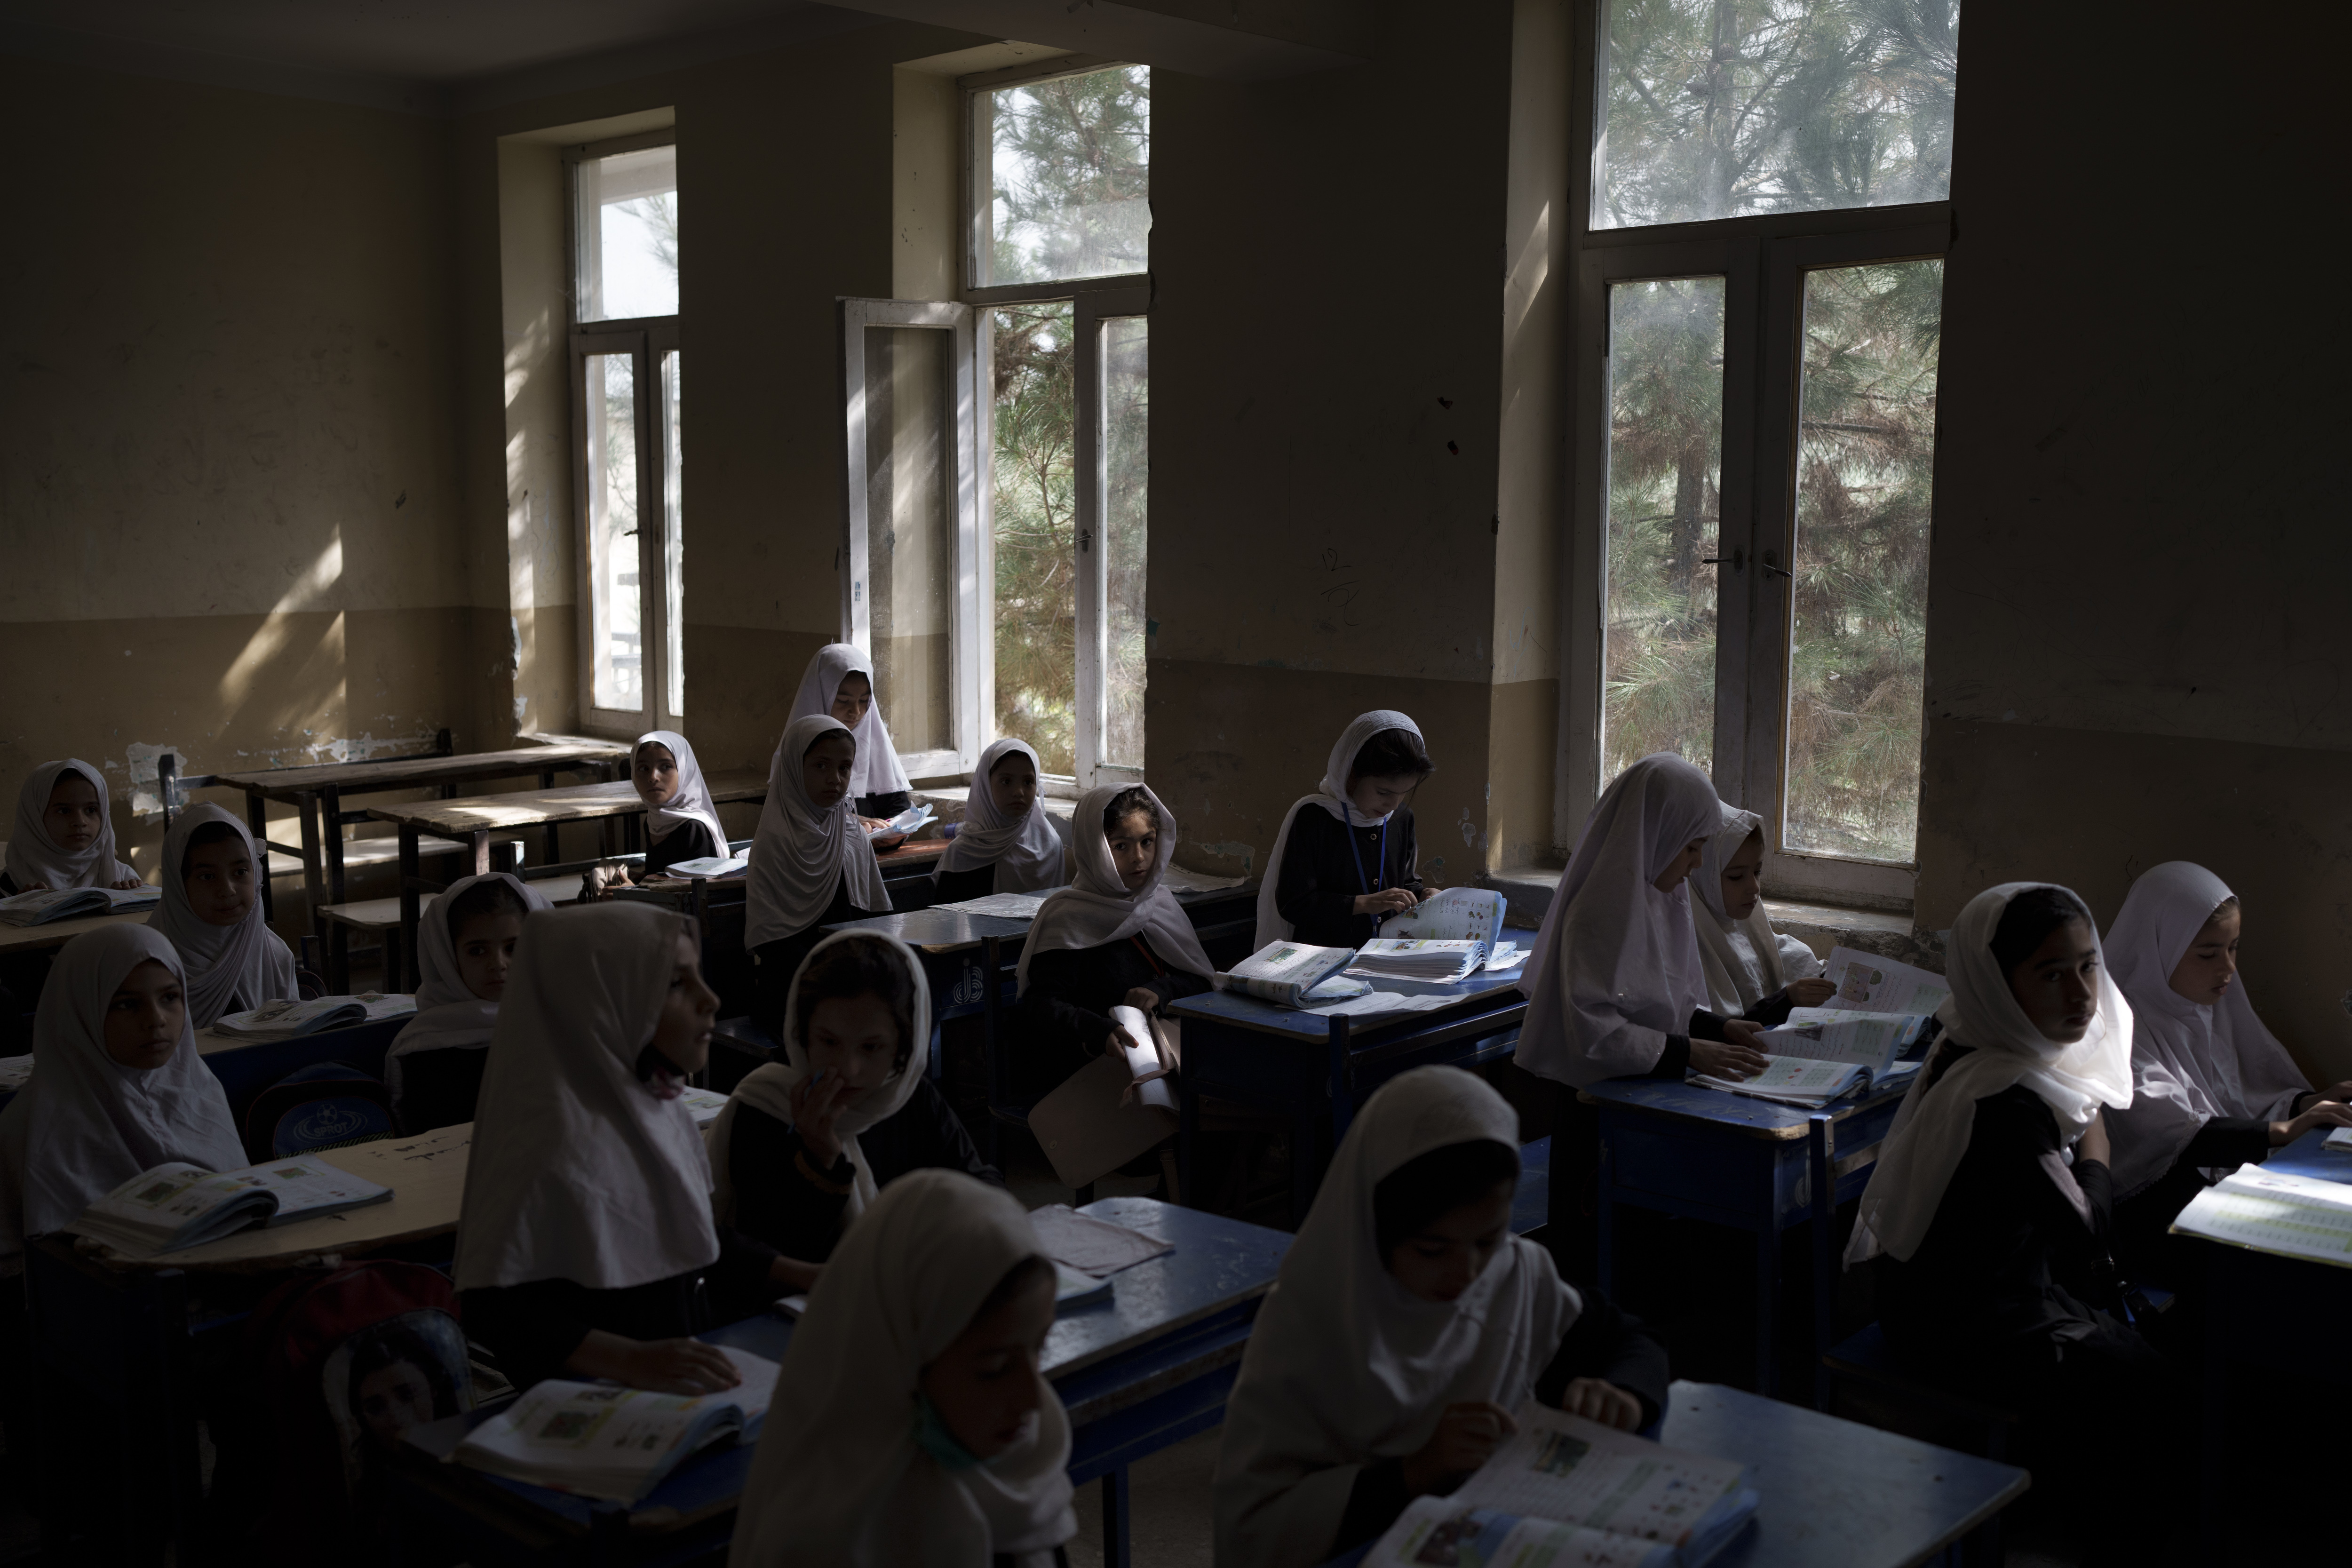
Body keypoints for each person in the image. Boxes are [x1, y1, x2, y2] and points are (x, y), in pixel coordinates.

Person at [1213, 1067, 1669, 1568]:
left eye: (1487, 1239)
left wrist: (1621, 1393)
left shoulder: (1513, 1272)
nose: (1468, 1273)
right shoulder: (1309, 1321)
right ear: (1375, 1228)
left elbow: (1630, 1342)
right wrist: (1412, 1474)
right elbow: (1250, 1531)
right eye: (1432, 1249)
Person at [1846, 883, 2180, 1564]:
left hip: (1968, 1287)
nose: (2082, 994)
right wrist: (2098, 1147)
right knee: (2153, 1387)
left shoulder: (1976, 1032)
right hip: (1955, 1321)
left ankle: (2051, 1501)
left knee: (2143, 1351)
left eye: (2089, 966)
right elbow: (2090, 1246)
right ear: (1997, 984)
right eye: (2050, 974)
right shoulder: (2004, 1096)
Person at [455, 903, 800, 1395]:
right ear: (601, 1003)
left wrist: (811, 1276)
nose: (710, 1000)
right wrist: (632, 1360)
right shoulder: (544, 1142)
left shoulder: (655, 1107)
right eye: (677, 984)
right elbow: (497, 1310)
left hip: (687, 1384)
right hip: (601, 1411)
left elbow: (694, 1244)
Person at [728, 1169, 1075, 1568]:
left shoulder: (1028, 1467)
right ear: (902, 1364)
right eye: (994, 1369)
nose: (1033, 1400)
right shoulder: (832, 1538)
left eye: (1040, 1347)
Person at [1512, 756, 1764, 1272]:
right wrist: (1690, 1050)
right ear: (1657, 834)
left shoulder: (1660, 895)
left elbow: (1661, 999)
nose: (1697, 863)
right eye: (1692, 847)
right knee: (1598, 1253)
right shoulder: (1601, 911)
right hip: (1596, 1109)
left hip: (1645, 1096)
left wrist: (1717, 1027)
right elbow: (1594, 1033)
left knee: (1647, 1249)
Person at [707, 931, 998, 1295]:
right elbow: (770, 1255)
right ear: (802, 1034)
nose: (849, 1068)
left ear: (903, 1046)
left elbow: (981, 1184)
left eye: (872, 1047)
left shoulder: (909, 1095)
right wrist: (820, 1162)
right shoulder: (766, 1105)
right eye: (829, 1042)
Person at [2102, 861, 2352, 1281]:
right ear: (2157, 946)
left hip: (2220, 1199)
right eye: (2208, 953)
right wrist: (2288, 1131)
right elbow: (2177, 1136)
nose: (2229, 968)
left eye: (2233, 947)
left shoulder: (2210, 1004)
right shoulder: (2118, 1025)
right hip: (2158, 1219)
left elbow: (2242, 1093)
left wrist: (2311, 1103)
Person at [0, 925, 246, 1275]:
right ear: (81, 1010)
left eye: (170, 998)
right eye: (127, 1004)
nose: (156, 1020)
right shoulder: (34, 1124)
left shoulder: (200, 1089)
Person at [1014, 784, 1215, 1099]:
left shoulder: (1159, 904)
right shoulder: (1068, 918)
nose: (1140, 858)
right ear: (1096, 850)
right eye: (1121, 846)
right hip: (1093, 1067)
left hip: (1165, 1056)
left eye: (1147, 842)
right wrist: (1096, 1029)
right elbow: (1040, 1006)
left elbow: (1202, 981)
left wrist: (1159, 991)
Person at [743, 715, 889, 1042]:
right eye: (821, 766)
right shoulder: (774, 842)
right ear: (795, 767)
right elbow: (772, 941)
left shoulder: (850, 832)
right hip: (795, 987)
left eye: (844, 768)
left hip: (852, 979)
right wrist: (833, 976)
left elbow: (873, 916)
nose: (835, 779)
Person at [383, 873, 551, 1133]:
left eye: (513, 948)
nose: (498, 964)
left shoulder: (562, 1023)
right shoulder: (427, 1048)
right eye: (477, 950)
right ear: (447, 958)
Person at [1256, 712, 1430, 951]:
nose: (1394, 804)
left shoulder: (1401, 818)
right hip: (1321, 958)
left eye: (1405, 792)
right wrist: (1362, 904)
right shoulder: (1315, 817)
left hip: (1384, 955)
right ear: (1350, 774)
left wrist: (1423, 895)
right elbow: (1293, 903)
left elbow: (1404, 883)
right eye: (1383, 792)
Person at [149, 804, 298, 1029]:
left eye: (240, 872)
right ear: (178, 885)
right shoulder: (150, 965)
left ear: (256, 873)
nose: (227, 890)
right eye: (208, 876)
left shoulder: (276, 956)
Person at [1687, 803, 1834, 1025]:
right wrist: (1786, 1000)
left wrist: (1827, 975)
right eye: (1736, 877)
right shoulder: (1689, 946)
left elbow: (1778, 951)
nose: (1754, 887)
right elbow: (1720, 1029)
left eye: (1757, 872)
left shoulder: (1745, 923)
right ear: (1701, 875)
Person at [787, 644, 913, 841]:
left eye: (864, 701)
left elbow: (899, 810)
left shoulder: (874, 742)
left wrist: (895, 834)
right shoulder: (797, 752)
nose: (856, 712)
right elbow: (799, 819)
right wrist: (848, 823)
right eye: (843, 700)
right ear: (821, 695)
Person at [930, 739, 1065, 904]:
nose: (1018, 792)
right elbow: (947, 922)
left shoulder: (1050, 844)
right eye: (1007, 782)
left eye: (1028, 782)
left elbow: (1059, 911)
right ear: (985, 785)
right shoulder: (964, 852)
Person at [3, 760, 143, 894]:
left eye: (91, 810)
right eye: (64, 811)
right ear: (35, 817)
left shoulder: (123, 877)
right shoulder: (11, 884)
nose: (80, 821)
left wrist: (131, 902)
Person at [629, 729, 730, 877]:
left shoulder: (695, 828)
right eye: (644, 769)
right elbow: (660, 874)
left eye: (666, 767)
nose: (653, 777)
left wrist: (636, 891)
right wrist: (637, 880)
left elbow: (698, 888)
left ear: (684, 771)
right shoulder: (653, 820)